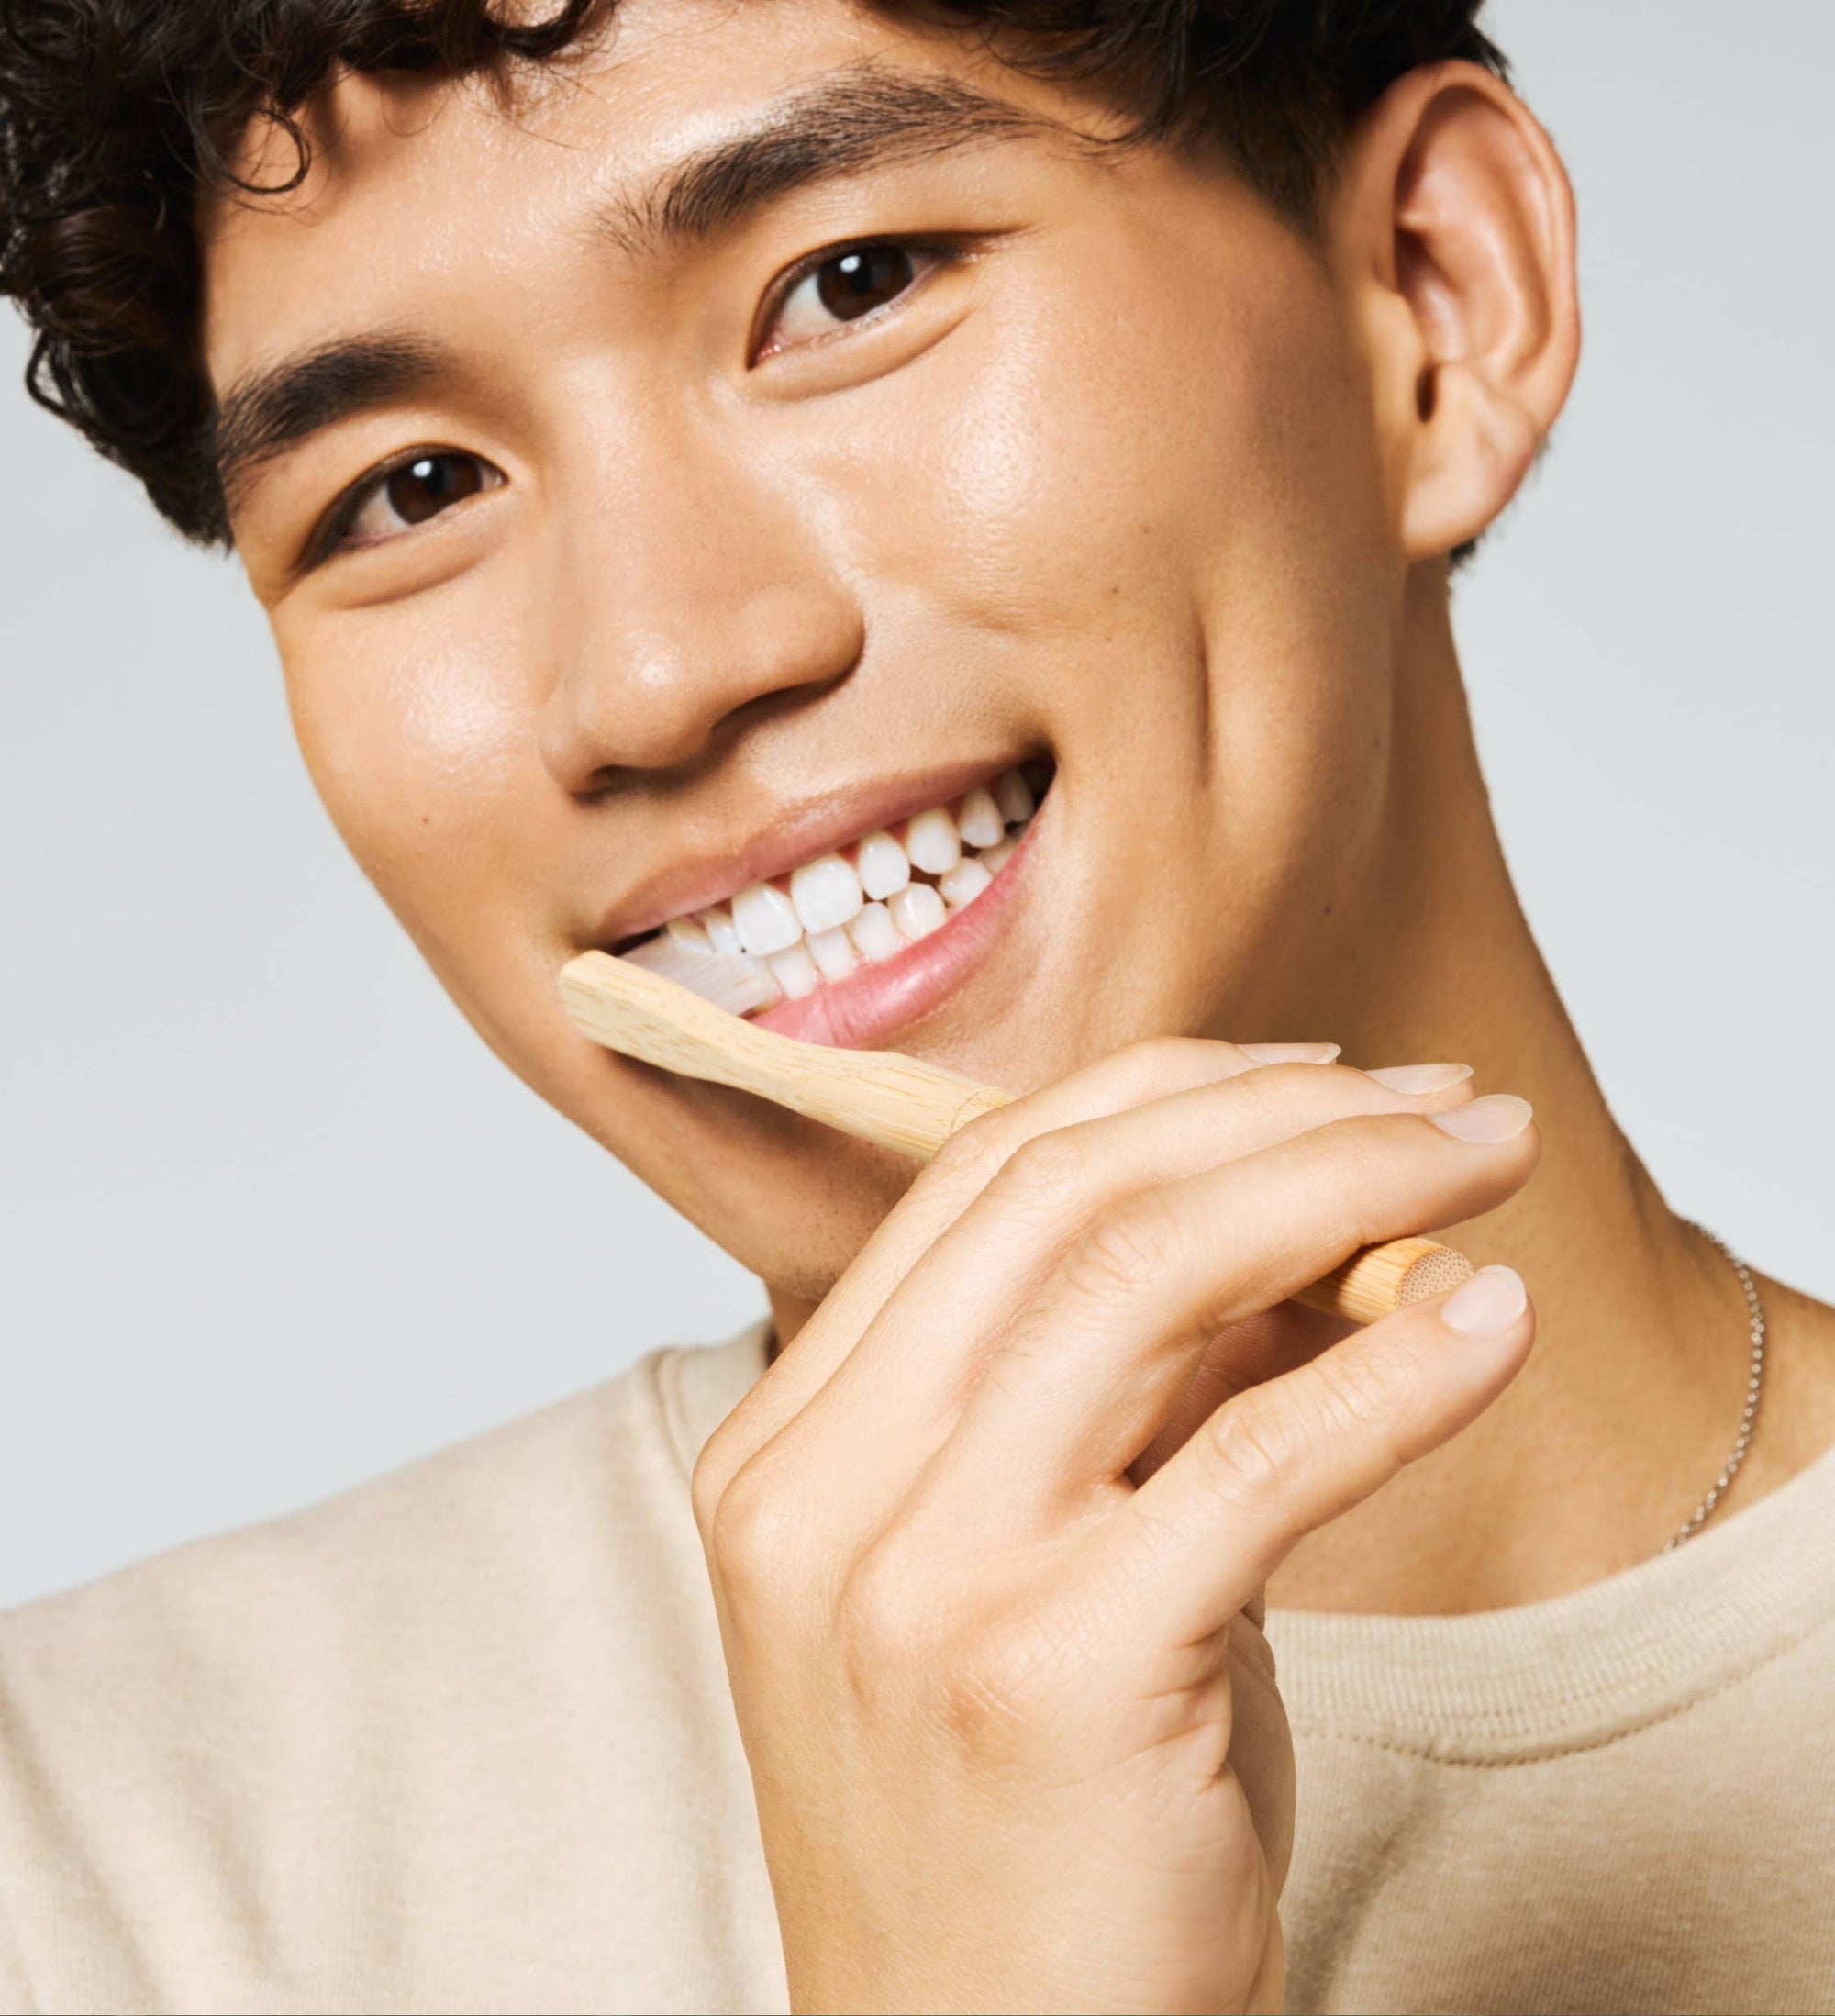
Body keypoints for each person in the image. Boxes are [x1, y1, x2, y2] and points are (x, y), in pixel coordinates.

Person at [2, 0, 1831, 2008]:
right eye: (413, 487)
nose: (655, 672)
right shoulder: (92, 1871)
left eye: (850, 287)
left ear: (1436, 299)